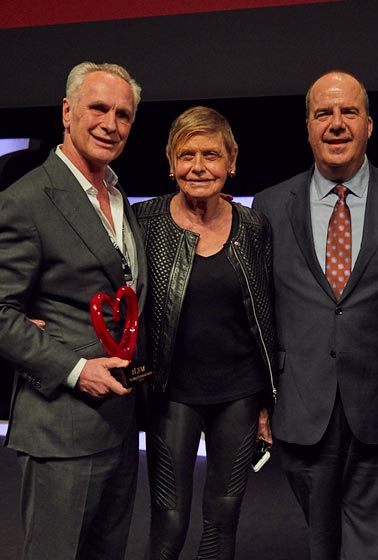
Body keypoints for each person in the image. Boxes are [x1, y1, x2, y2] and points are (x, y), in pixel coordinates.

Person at [0, 61, 147, 560]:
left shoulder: (117, 194)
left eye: (124, 115)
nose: (111, 124)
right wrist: (74, 369)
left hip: (118, 422)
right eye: (99, 108)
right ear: (67, 112)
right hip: (61, 427)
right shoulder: (24, 202)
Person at [251, 70, 378, 560]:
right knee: (321, 542)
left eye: (348, 112)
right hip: (304, 407)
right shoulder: (268, 205)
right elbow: (260, 309)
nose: (336, 124)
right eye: (323, 113)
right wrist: (263, 399)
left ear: (369, 125)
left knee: (372, 544)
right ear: (307, 127)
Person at [134, 105, 277, 560]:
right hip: (171, 393)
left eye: (211, 155)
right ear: (171, 162)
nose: (199, 167)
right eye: (187, 155)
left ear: (232, 160)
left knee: (224, 517)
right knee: (170, 521)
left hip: (238, 393)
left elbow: (267, 314)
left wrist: (265, 404)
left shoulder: (254, 227)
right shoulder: (144, 222)